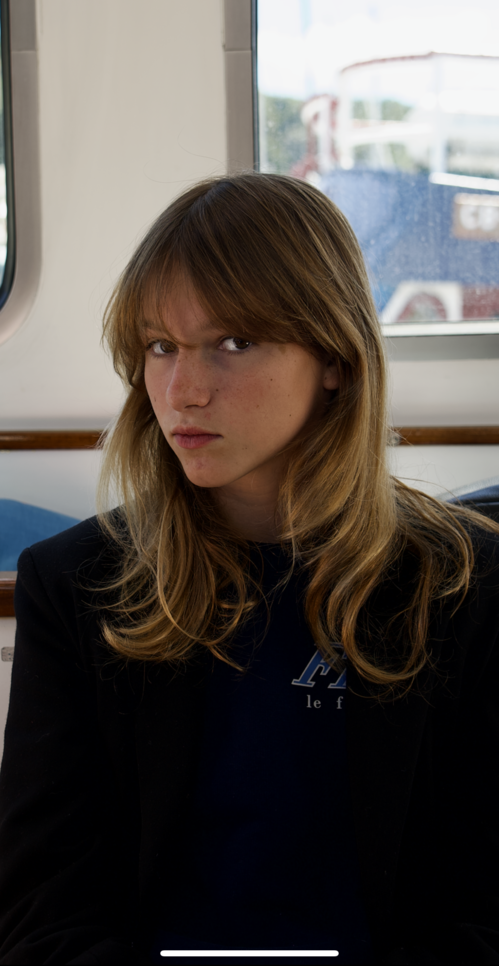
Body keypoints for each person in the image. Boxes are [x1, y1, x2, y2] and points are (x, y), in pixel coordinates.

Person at [0, 173, 498, 966]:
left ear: (334, 358)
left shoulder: (466, 584)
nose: (182, 391)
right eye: (160, 346)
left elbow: (488, 911)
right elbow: (42, 915)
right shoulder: (73, 585)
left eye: (233, 342)